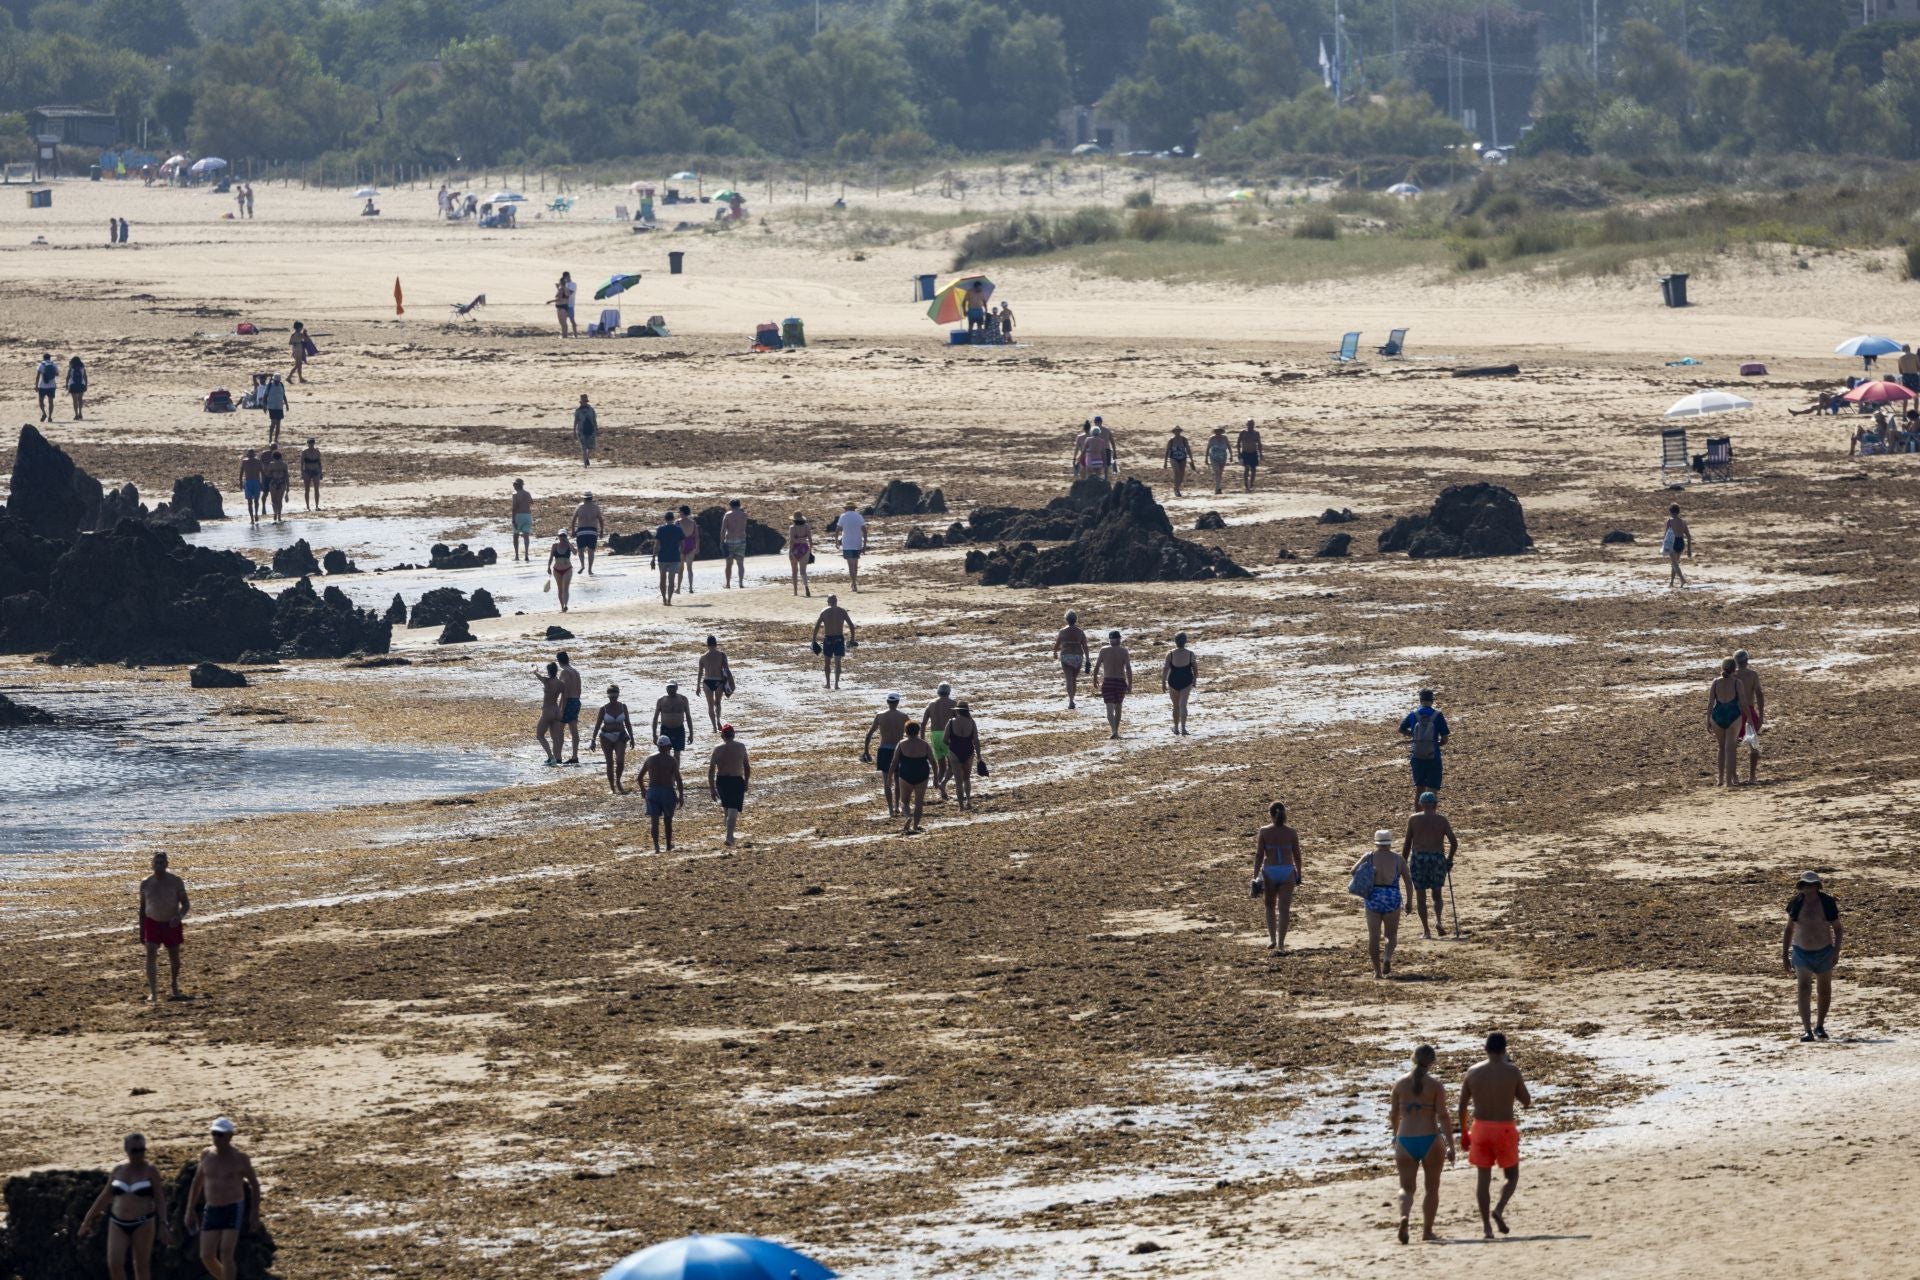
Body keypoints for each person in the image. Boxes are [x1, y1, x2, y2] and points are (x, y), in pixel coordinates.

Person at [1459, 1033, 1530, 1239]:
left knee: (1483, 1180)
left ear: (1485, 1049)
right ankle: (1498, 1209)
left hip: (1480, 1128)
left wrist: (1464, 1132)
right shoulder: (1512, 1071)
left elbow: (1462, 1106)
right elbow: (1526, 1101)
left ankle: (1486, 1228)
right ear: (1504, 1050)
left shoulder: (1472, 1072)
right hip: (1504, 1128)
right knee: (1512, 1176)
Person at [79, 1132, 174, 1280]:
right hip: (117, 1222)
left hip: (143, 1222)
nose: (138, 1154)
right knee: (114, 1264)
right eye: (134, 1150)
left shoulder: (150, 1170)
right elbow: (105, 1196)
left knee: (141, 1266)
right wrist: (87, 1220)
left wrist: (163, 1223)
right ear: (126, 1150)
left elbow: (160, 1198)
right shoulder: (118, 1170)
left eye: (142, 1150)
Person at [1388, 1045, 1456, 1245]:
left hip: (1405, 1140)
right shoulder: (1435, 1086)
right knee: (1432, 1188)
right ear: (1432, 1062)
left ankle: (1404, 1216)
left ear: (1413, 1059)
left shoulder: (1399, 1084)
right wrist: (1451, 1145)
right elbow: (1443, 1116)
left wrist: (1395, 1135)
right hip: (1430, 1139)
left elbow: (1393, 1115)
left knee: (1406, 1188)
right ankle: (1427, 1231)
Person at [184, 1117, 261, 1280]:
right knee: (206, 1255)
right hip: (211, 1208)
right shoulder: (206, 1155)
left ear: (230, 1136)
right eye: (214, 1134)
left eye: (220, 1135)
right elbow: (197, 1182)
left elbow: (255, 1185)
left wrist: (255, 1212)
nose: (216, 1138)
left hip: (233, 1207)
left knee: (226, 1252)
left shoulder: (240, 1158)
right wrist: (189, 1210)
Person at [1783, 870, 1842, 1042]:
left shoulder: (1827, 902)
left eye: (1811, 885)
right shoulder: (1796, 902)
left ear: (1817, 886)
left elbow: (1838, 929)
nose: (1808, 888)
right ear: (1801, 886)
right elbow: (1789, 929)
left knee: (1824, 990)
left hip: (1824, 951)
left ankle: (1820, 1026)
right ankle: (1807, 1029)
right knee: (1803, 988)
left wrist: (1836, 951)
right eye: (1805, 885)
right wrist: (1784, 955)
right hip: (1801, 952)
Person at [1356, 828, 1412, 979]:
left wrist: (1367, 871)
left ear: (1376, 843)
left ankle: (1377, 971)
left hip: (1373, 896)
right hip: (1391, 895)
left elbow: (1353, 871)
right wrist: (1409, 902)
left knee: (1374, 936)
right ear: (1390, 843)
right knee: (1391, 934)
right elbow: (1408, 881)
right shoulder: (1398, 859)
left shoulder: (1369, 856)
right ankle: (1387, 957)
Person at [1403, 791, 1458, 939]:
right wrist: (1449, 859)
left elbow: (1407, 844)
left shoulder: (1413, 819)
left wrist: (1402, 862)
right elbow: (1454, 842)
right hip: (1436, 858)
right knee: (1437, 895)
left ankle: (1426, 930)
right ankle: (1438, 921)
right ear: (1435, 804)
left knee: (1421, 897)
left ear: (1421, 804)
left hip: (1419, 859)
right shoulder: (1441, 820)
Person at [138, 852, 188, 1003]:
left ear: (167, 864)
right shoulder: (145, 883)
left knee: (174, 958)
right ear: (152, 865)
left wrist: (178, 917)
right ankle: (153, 992)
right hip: (152, 923)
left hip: (171, 923)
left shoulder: (176, 881)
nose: (159, 865)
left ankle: (174, 983)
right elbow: (142, 908)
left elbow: (186, 904)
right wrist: (141, 930)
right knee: (151, 954)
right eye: (156, 863)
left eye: (162, 863)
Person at [1253, 802, 1301, 953]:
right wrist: (1299, 872)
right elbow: (1297, 855)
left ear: (1270, 815)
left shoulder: (1264, 831)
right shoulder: (1292, 832)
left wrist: (1255, 876)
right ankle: (1281, 943)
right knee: (1284, 910)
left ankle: (1272, 938)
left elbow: (1259, 855)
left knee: (1270, 906)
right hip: (1287, 871)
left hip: (1270, 871)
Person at [1398, 688, 1449, 808]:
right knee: (1432, 790)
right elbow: (1445, 739)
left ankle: (1418, 817)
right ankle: (1431, 818)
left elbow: (1401, 729)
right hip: (1433, 756)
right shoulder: (1437, 715)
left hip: (1417, 756)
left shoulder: (1413, 714)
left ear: (1420, 700)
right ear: (1432, 701)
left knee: (1419, 789)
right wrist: (1437, 744)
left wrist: (1414, 736)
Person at [863, 693, 911, 818]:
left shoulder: (880, 716)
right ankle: (896, 807)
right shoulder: (904, 716)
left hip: (884, 749)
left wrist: (866, 751)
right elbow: (912, 734)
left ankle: (890, 809)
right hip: (898, 749)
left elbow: (869, 734)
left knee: (887, 781)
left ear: (887, 702)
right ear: (897, 702)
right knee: (898, 779)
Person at [637, 735, 685, 852]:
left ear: (658, 746)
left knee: (654, 821)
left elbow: (639, 778)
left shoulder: (650, 759)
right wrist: (681, 795)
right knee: (668, 821)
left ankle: (656, 846)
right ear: (669, 746)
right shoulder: (671, 760)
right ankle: (668, 845)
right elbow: (678, 779)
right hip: (667, 791)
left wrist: (643, 790)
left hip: (653, 791)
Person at [708, 723, 751, 847]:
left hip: (721, 781)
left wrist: (712, 788)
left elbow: (711, 770)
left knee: (727, 808)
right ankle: (729, 837)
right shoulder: (741, 747)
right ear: (733, 734)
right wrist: (746, 782)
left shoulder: (717, 748)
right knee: (732, 810)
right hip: (735, 780)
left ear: (722, 736)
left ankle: (729, 833)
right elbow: (747, 767)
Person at [889, 722, 934, 834]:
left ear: (906, 731)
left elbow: (894, 762)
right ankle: (915, 826)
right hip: (922, 774)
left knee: (904, 801)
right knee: (919, 803)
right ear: (918, 731)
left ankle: (908, 816)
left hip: (906, 774)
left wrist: (889, 777)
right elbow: (933, 762)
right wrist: (937, 778)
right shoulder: (924, 744)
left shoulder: (901, 744)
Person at [589, 685, 633, 793]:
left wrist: (632, 737)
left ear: (618, 694)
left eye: (615, 695)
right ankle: (612, 787)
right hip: (606, 737)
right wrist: (593, 740)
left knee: (620, 761)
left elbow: (627, 723)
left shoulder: (623, 707)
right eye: (611, 695)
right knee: (609, 762)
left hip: (620, 736)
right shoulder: (603, 708)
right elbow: (598, 725)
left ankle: (618, 781)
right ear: (608, 696)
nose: (613, 697)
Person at [1708, 656, 1744, 787]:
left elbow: (1711, 702)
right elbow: (1743, 703)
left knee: (1721, 748)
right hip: (1733, 715)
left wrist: (1707, 720)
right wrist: (1750, 719)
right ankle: (1729, 781)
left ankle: (1720, 779)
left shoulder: (1716, 682)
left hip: (1717, 716)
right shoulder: (1737, 683)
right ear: (1735, 668)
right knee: (1730, 749)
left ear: (1722, 667)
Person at [1092, 630, 1133, 738]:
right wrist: (1130, 684)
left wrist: (1095, 679)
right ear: (1119, 639)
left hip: (1108, 681)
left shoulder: (1104, 650)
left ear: (1110, 640)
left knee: (1109, 708)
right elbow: (1128, 668)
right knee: (1118, 707)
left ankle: (1114, 731)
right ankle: (1116, 731)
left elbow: (1096, 666)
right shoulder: (1123, 651)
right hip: (1120, 681)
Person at [1733, 648, 1765, 784]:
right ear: (1747, 660)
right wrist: (1762, 714)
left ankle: (1734, 776)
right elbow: (1759, 693)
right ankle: (1752, 776)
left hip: (1735, 712)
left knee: (1732, 745)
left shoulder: (1732, 675)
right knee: (1753, 745)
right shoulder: (1752, 675)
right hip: (1749, 711)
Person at [921, 683, 957, 801]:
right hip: (948, 735)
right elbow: (959, 721)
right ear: (949, 692)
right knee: (953, 765)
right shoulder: (953, 704)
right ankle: (943, 783)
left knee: (941, 765)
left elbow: (923, 724)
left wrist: (922, 740)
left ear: (938, 692)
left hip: (934, 735)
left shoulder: (931, 704)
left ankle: (940, 787)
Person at [812, 595, 855, 689]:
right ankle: (836, 684)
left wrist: (813, 640)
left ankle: (828, 684)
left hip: (828, 639)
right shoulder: (842, 611)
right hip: (839, 639)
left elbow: (817, 627)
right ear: (836, 601)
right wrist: (852, 639)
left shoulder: (824, 611)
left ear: (828, 602)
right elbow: (851, 625)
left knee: (827, 663)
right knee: (838, 662)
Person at [947, 700, 983, 810]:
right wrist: (979, 755)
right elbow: (976, 740)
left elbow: (944, 739)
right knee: (966, 778)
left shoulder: (951, 722)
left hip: (954, 752)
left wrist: (952, 745)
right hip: (968, 752)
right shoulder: (971, 722)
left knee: (958, 782)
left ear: (957, 711)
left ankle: (961, 806)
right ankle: (968, 801)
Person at [1161, 633, 1197, 735]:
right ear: (1185, 641)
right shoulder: (1190, 654)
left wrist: (1163, 682)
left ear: (1175, 642)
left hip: (1173, 681)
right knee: (1183, 705)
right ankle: (1184, 729)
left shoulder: (1170, 654)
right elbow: (1195, 668)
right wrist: (1195, 680)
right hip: (1186, 681)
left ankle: (1176, 728)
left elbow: (1165, 669)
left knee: (1176, 706)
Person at [1053, 610, 1090, 709]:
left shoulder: (1062, 631)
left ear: (1066, 620)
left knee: (1069, 679)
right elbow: (1085, 646)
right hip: (1078, 656)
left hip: (1066, 656)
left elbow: (1057, 644)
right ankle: (1072, 698)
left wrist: (1055, 652)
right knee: (1074, 679)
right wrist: (1088, 659)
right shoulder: (1080, 632)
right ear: (1076, 619)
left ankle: (1071, 701)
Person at [698, 635, 734, 731]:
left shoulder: (703, 657)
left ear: (707, 644)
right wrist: (730, 681)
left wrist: (697, 686)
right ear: (716, 643)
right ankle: (718, 720)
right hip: (718, 681)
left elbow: (700, 673)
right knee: (717, 703)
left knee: (710, 705)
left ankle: (714, 727)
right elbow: (726, 669)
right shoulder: (721, 655)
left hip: (707, 681)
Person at [650, 508, 684, 605]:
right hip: (674, 557)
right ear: (673, 519)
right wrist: (681, 554)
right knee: (671, 580)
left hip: (663, 557)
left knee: (662, 579)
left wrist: (653, 557)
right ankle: (669, 599)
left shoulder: (660, 529)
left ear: (665, 519)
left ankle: (664, 599)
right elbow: (683, 545)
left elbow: (656, 545)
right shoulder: (678, 529)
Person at [653, 681, 693, 759]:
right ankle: (667, 770)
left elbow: (688, 716)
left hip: (679, 729)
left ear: (676, 688)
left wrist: (691, 733)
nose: (671, 689)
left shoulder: (683, 699)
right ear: (666, 689)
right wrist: (654, 734)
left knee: (677, 754)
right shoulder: (661, 700)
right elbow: (655, 718)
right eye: (669, 688)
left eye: (673, 687)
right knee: (665, 754)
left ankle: (676, 770)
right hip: (665, 729)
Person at [556, 650, 582, 764]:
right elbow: (580, 690)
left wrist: (561, 708)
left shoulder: (564, 672)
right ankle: (574, 756)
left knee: (559, 730)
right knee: (574, 730)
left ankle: (558, 756)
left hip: (569, 701)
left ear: (559, 661)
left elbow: (564, 692)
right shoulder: (575, 672)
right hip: (576, 700)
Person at [834, 501, 867, 592]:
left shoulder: (843, 516)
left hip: (847, 543)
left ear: (846, 508)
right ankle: (854, 582)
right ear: (854, 508)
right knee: (855, 564)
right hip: (857, 543)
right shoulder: (859, 516)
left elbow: (837, 530)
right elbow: (864, 530)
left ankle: (854, 583)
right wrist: (864, 545)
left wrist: (836, 541)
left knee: (850, 565)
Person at [571, 492, 603, 576]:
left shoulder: (579, 507)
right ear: (591, 498)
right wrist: (601, 531)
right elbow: (600, 520)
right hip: (592, 531)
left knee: (580, 550)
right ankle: (590, 570)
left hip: (581, 531)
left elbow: (573, 520)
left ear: (584, 498)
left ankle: (582, 565)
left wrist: (573, 531)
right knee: (591, 551)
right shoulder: (595, 507)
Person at [721, 500, 750, 588]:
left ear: (730, 506)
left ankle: (728, 584)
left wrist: (721, 542)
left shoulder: (728, 515)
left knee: (729, 564)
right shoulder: (744, 515)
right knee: (740, 563)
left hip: (730, 540)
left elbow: (723, 530)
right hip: (741, 540)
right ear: (739, 505)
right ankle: (740, 583)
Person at [1663, 503, 1691, 587]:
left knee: (1674, 564)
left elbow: (1666, 535)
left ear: (1670, 512)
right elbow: (1689, 536)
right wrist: (1689, 549)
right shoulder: (1683, 522)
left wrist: (1665, 546)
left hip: (1673, 542)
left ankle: (1682, 580)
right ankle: (1671, 582)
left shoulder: (1669, 521)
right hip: (1681, 542)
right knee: (1675, 564)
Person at [547, 529, 575, 612]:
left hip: (567, 569)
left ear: (566, 536)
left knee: (565, 588)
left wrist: (568, 542)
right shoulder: (555, 546)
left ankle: (566, 605)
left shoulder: (569, 545)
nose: (562, 537)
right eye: (560, 536)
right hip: (557, 570)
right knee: (560, 589)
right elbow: (551, 557)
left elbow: (575, 552)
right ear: (558, 536)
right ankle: (562, 606)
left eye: (564, 536)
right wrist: (548, 567)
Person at [676, 505, 700, 594]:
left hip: (681, 544)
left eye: (680, 512)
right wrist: (697, 547)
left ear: (682, 512)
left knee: (680, 568)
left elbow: (675, 536)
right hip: (690, 543)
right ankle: (690, 588)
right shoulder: (693, 522)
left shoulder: (677, 522)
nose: (679, 513)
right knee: (689, 568)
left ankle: (678, 589)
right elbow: (697, 537)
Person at [787, 513, 813, 596]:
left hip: (795, 549)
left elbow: (791, 540)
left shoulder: (792, 528)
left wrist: (790, 551)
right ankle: (806, 587)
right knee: (803, 571)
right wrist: (810, 551)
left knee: (794, 571)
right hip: (805, 548)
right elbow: (810, 540)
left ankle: (795, 592)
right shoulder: (806, 526)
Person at [1163, 427, 1191, 496]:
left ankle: (1177, 487)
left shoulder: (1184, 439)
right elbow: (1167, 451)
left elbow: (1188, 449)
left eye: (1178, 431)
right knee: (1176, 472)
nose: (1177, 432)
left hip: (1183, 458)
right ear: (1174, 432)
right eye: (1176, 431)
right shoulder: (1171, 440)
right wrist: (1165, 462)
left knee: (1181, 475)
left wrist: (1191, 460)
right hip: (1173, 458)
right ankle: (1176, 489)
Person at [510, 480, 535, 562]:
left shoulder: (515, 494)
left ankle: (517, 556)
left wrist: (513, 520)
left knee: (515, 535)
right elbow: (531, 502)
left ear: (518, 485)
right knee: (526, 535)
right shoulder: (527, 493)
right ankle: (526, 555)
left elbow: (514, 508)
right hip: (527, 515)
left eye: (514, 484)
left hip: (519, 516)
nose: (513, 486)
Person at [1236, 419, 1263, 491]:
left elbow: (1259, 444)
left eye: (1252, 424)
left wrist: (1260, 454)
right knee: (1247, 468)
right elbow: (1238, 443)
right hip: (1245, 453)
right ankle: (1246, 484)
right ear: (1246, 425)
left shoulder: (1256, 433)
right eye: (1249, 424)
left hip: (1253, 453)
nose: (1250, 426)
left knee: (1253, 469)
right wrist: (1239, 453)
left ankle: (1251, 484)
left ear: (1254, 425)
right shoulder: (1243, 432)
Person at [260, 375, 287, 448]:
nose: (277, 382)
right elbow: (265, 396)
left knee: (278, 424)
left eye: (278, 381)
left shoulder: (281, 385)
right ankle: (270, 438)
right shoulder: (269, 385)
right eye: (276, 381)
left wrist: (286, 404)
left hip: (279, 407)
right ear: (273, 380)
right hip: (272, 407)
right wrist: (264, 406)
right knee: (273, 423)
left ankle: (275, 439)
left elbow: (283, 395)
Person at [238, 450, 264, 526]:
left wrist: (261, 483)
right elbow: (241, 473)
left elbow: (262, 472)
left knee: (255, 500)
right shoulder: (245, 461)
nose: (251, 455)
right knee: (250, 501)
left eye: (251, 454)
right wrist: (240, 483)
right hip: (248, 482)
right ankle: (252, 518)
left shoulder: (258, 461)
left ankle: (255, 514)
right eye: (250, 454)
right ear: (248, 454)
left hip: (255, 482)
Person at [263, 451, 289, 524]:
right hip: (282, 483)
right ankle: (279, 516)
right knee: (279, 501)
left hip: (273, 483)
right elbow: (287, 477)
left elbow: (268, 475)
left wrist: (265, 470)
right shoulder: (284, 465)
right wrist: (288, 488)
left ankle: (275, 514)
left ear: (273, 457)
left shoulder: (271, 464)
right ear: (281, 457)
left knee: (274, 500)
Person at [1205, 426, 1231, 494]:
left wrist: (1231, 455)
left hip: (1223, 457)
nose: (1217, 432)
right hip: (1213, 457)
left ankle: (1219, 487)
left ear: (1221, 431)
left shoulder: (1225, 438)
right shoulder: (1212, 438)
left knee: (1220, 472)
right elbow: (1208, 448)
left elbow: (1228, 446)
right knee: (1217, 471)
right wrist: (1206, 458)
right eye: (1216, 431)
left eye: (1219, 431)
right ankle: (1217, 488)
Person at [573, 394, 598, 466]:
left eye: (585, 402)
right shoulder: (578, 411)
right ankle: (585, 464)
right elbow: (575, 421)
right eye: (583, 402)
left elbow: (594, 420)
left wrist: (596, 428)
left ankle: (586, 457)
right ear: (581, 402)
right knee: (583, 447)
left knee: (589, 447)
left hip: (590, 430)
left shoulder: (591, 410)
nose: (584, 403)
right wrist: (574, 431)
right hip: (581, 431)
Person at [298, 437, 322, 511]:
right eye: (309, 443)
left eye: (312, 443)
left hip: (316, 471)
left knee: (316, 489)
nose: (311, 444)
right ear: (307, 444)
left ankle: (317, 506)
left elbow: (319, 463)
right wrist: (302, 473)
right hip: (307, 471)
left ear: (314, 443)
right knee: (307, 489)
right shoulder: (304, 452)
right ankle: (307, 506)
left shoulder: (317, 452)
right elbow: (301, 463)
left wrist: (321, 472)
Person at [35, 352, 59, 422]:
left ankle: (44, 413)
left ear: (43, 358)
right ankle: (50, 417)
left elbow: (38, 376)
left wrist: (36, 386)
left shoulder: (41, 365)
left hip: (42, 386)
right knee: (51, 402)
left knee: (41, 401)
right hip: (52, 386)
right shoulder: (54, 364)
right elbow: (57, 374)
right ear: (49, 358)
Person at [65, 355, 88, 421]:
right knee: (80, 399)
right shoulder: (82, 368)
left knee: (74, 400)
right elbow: (85, 377)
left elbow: (68, 377)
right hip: (81, 384)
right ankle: (80, 413)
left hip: (73, 385)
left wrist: (66, 385)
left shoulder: (71, 368)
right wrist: (86, 385)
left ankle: (76, 415)